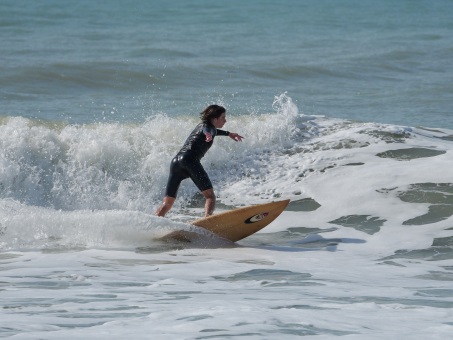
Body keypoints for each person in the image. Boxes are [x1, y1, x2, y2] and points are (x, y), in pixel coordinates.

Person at [155, 105, 244, 217]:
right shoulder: (208, 128)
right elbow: (208, 130)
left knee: (167, 203)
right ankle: (208, 220)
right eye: (223, 117)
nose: (225, 120)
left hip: (176, 162)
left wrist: (228, 134)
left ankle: (155, 222)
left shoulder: (202, 126)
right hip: (190, 160)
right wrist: (207, 134)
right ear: (215, 118)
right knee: (210, 196)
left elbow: (213, 131)